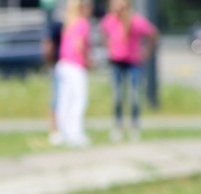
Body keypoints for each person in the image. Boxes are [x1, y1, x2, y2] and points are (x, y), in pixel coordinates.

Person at [100, 0, 158, 142]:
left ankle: (135, 126)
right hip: (116, 62)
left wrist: (146, 52)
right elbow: (103, 33)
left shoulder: (136, 20)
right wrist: (109, 47)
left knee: (134, 97)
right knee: (118, 97)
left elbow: (153, 33)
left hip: (133, 62)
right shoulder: (109, 20)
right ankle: (118, 126)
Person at [55, 0, 92, 148]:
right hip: (76, 65)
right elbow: (79, 45)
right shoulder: (83, 23)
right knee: (78, 100)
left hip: (63, 65)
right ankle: (75, 133)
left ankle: (63, 133)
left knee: (64, 101)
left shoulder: (69, 22)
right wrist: (88, 60)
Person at [42, 14, 64, 145]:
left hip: (64, 65)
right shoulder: (57, 25)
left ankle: (60, 129)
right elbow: (47, 45)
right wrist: (50, 63)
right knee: (56, 100)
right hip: (57, 65)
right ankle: (54, 130)